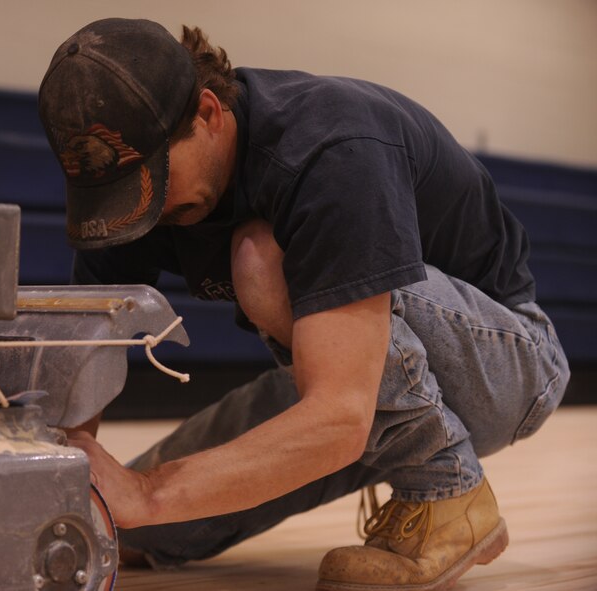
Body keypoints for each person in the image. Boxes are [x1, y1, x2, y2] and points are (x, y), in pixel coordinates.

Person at [37, 17, 569, 591]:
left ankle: (448, 491)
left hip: (508, 367)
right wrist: (63, 486)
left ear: (209, 114)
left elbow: (340, 417)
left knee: (260, 260)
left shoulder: (330, 145)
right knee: (123, 524)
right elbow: (83, 360)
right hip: (365, 380)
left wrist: (151, 492)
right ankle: (421, 459)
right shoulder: (131, 207)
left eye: (153, 182)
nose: (142, 212)